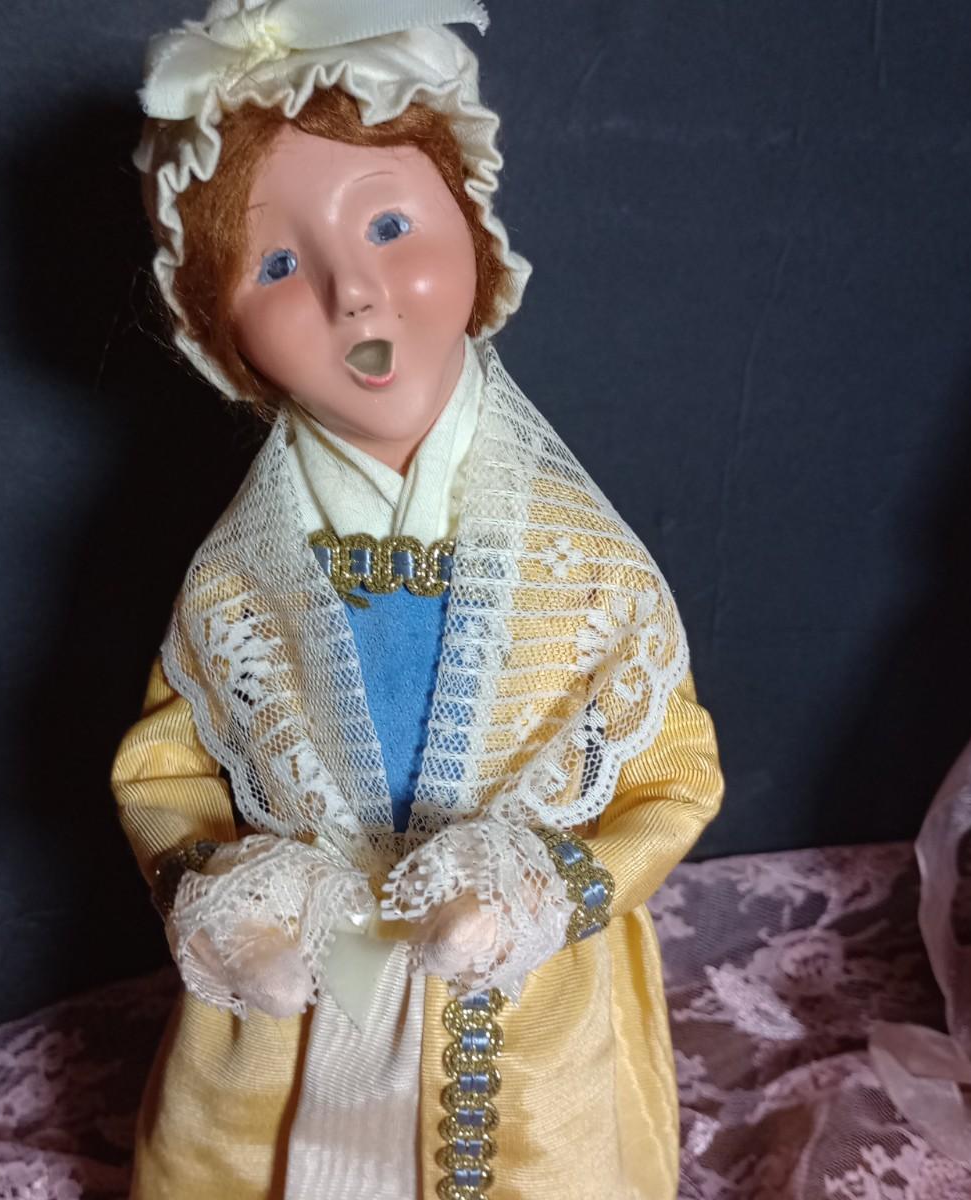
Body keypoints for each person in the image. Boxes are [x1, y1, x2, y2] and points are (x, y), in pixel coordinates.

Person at [113, 3, 724, 1197]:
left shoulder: (581, 567)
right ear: (222, 338)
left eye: (391, 224)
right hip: (295, 1013)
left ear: (478, 238)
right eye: (277, 265)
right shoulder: (235, 587)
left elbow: (672, 776)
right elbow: (165, 771)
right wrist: (230, 902)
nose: (355, 291)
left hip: (525, 1020)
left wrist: (546, 893)